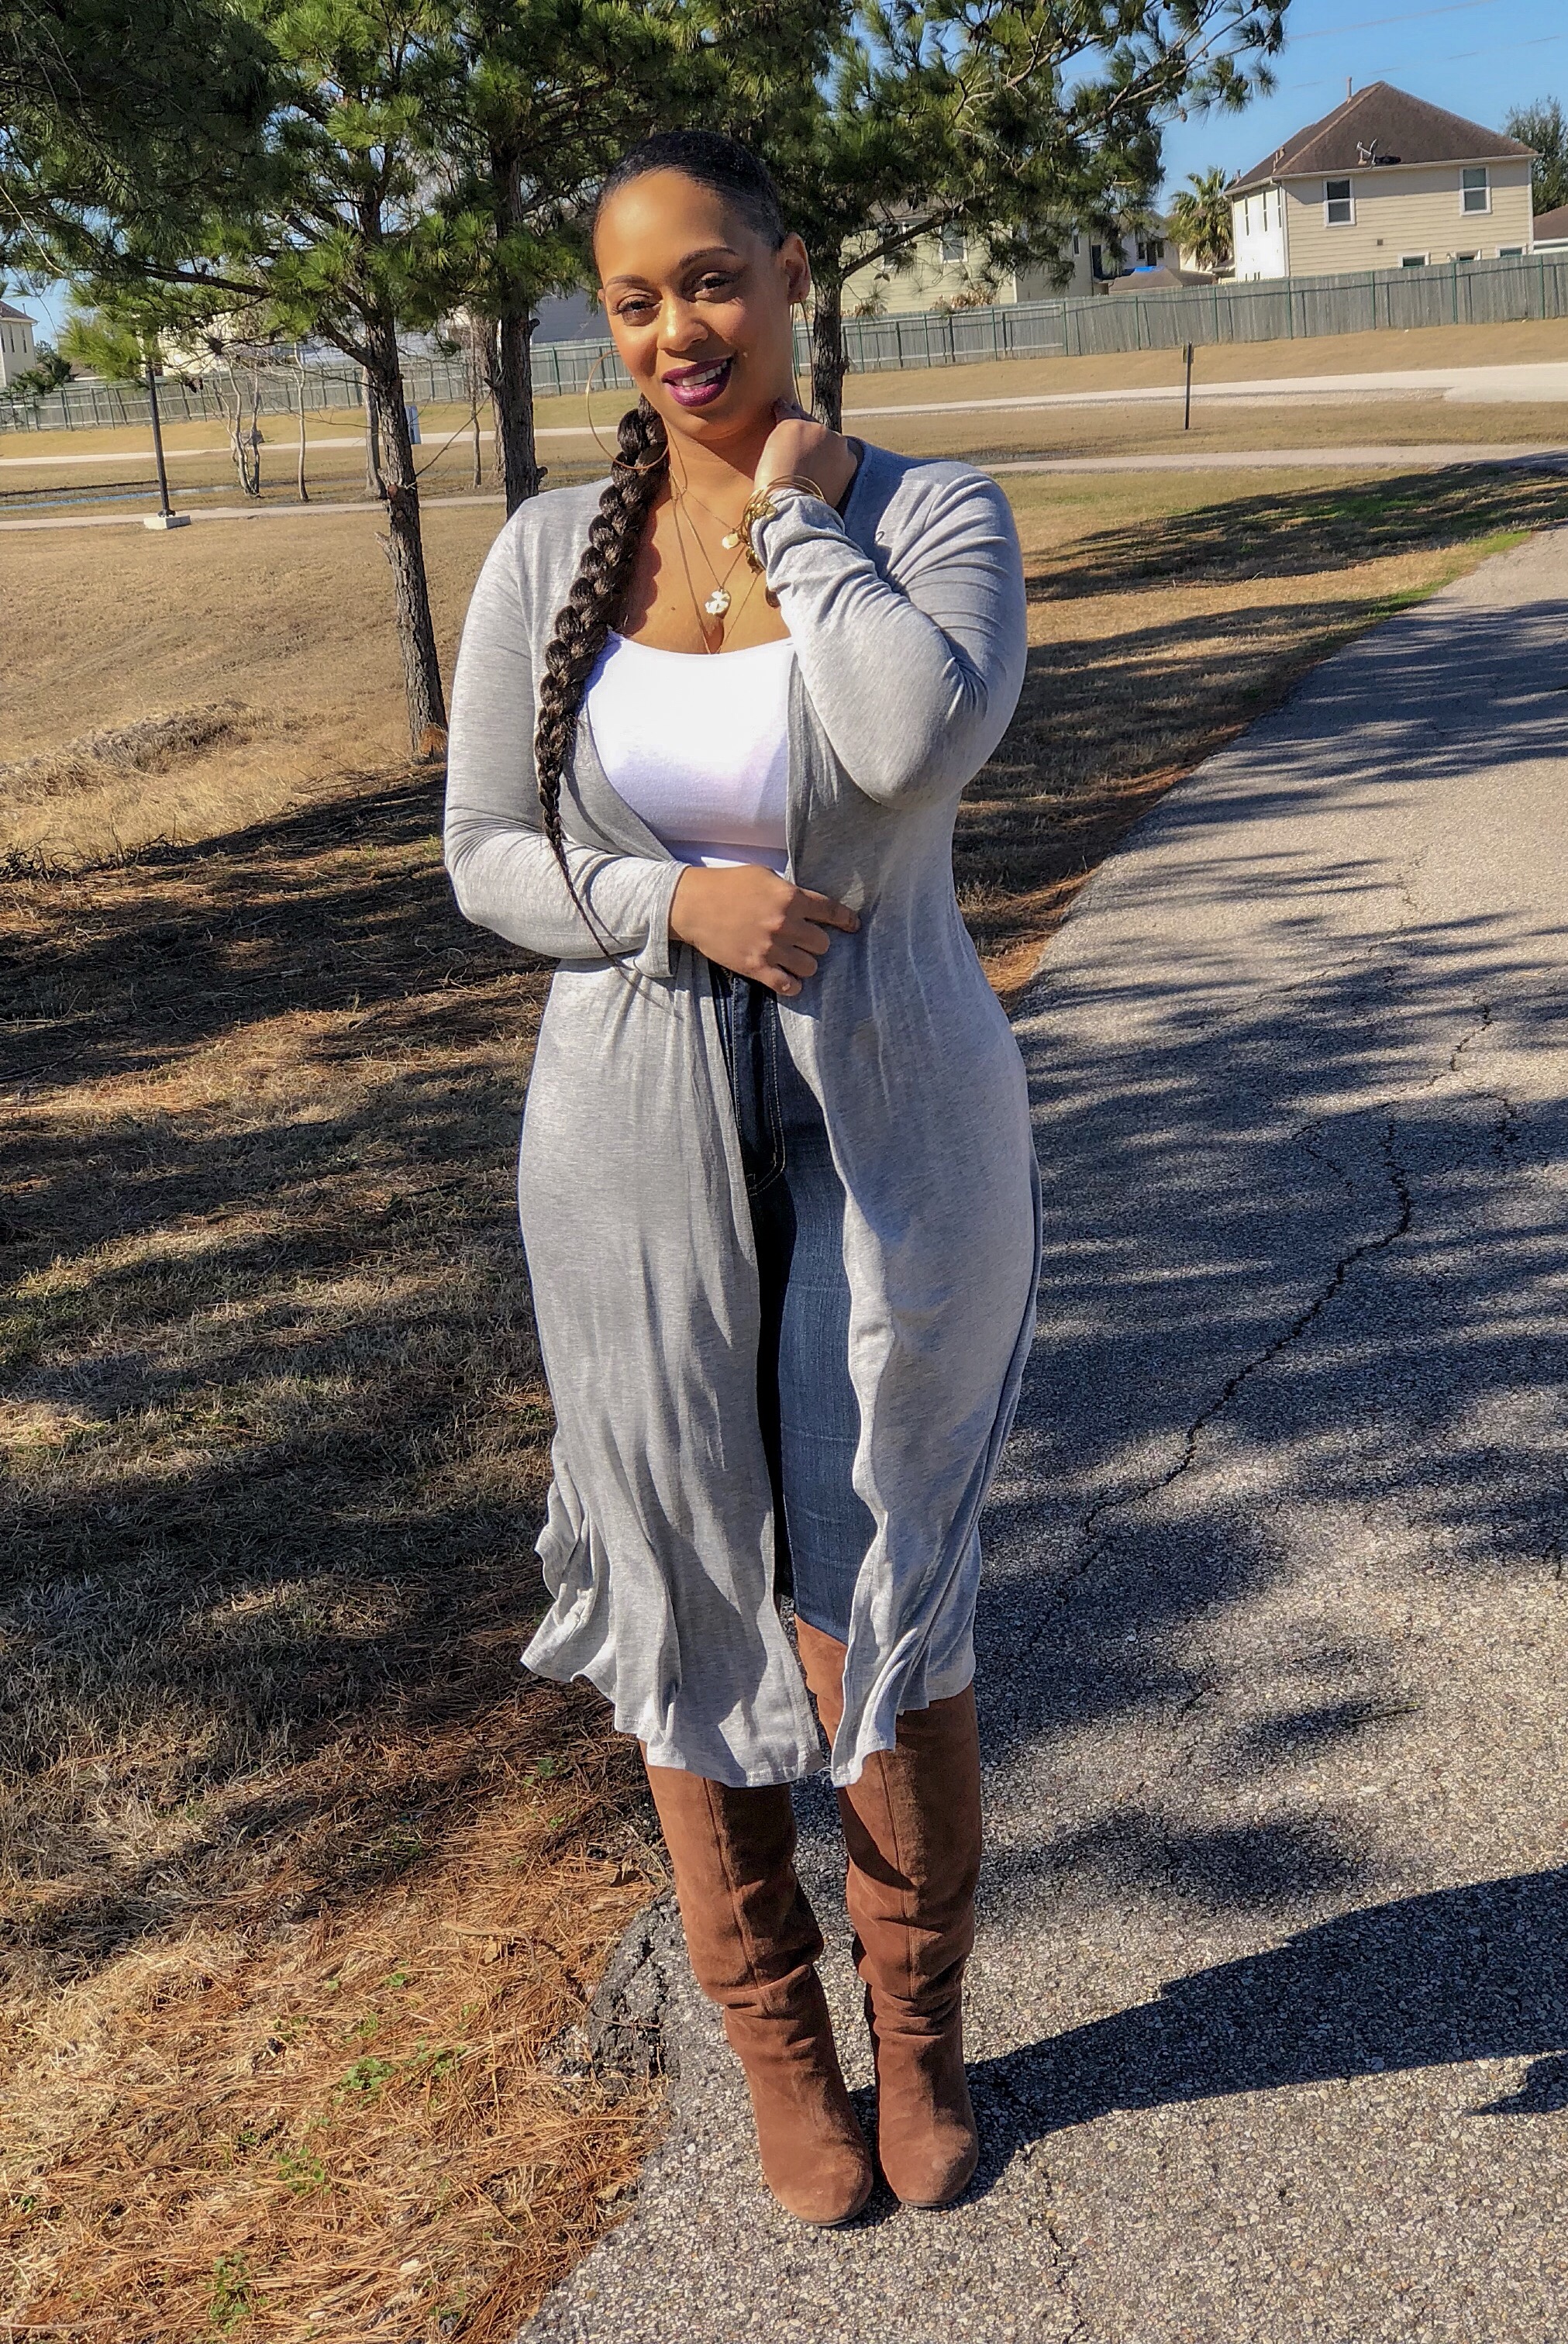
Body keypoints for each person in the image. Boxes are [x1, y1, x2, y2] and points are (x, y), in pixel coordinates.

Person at [443, 129, 1039, 2226]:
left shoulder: (932, 515)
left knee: (884, 1588)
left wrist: (798, 519)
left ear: (790, 275)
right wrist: (663, 903)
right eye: (633, 301)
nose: (675, 331)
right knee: (681, 1571)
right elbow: (483, 852)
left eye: (709, 281)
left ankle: (919, 2033)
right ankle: (778, 2048)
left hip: (898, 1116)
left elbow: (903, 746)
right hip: (625, 1138)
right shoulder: (547, 551)